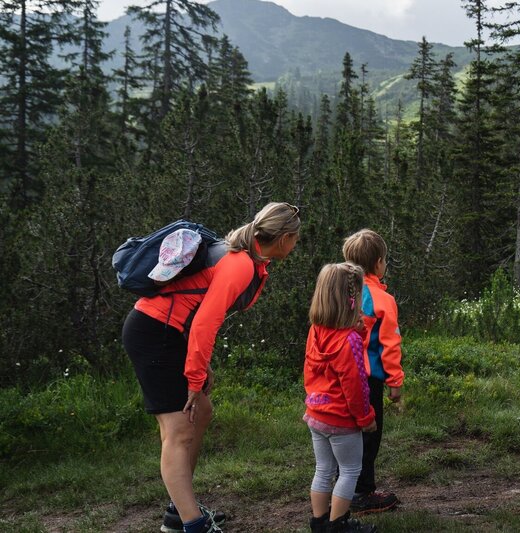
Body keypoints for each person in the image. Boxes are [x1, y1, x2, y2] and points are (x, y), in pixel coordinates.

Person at [122, 202, 301, 533]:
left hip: (169, 332)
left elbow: (197, 313)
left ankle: (180, 509)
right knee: (178, 430)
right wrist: (194, 377)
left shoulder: (244, 257)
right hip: (152, 331)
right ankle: (191, 525)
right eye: (296, 239)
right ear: (285, 237)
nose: (295, 245)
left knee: (201, 412)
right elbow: (206, 322)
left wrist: (200, 368)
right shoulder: (241, 264)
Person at [304, 262, 379, 533]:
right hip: (342, 420)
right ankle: (338, 524)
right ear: (352, 299)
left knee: (323, 469)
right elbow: (356, 385)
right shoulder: (348, 341)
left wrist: (358, 331)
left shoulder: (316, 330)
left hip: (316, 413)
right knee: (349, 471)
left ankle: (320, 522)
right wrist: (365, 417)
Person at [341, 229, 403, 514]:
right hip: (369, 378)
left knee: (345, 431)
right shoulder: (382, 300)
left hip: (340, 375)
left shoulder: (341, 291)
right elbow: (390, 344)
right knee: (369, 432)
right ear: (379, 262)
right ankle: (362, 492)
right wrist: (396, 382)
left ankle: (343, 485)